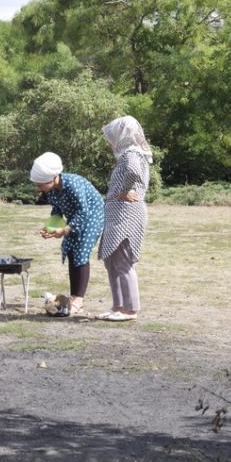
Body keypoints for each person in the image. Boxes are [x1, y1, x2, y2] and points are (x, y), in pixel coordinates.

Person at [30, 152, 104, 317]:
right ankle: (74, 296)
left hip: (92, 216)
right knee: (71, 252)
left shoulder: (72, 184)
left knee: (81, 252)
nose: (38, 188)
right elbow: (57, 209)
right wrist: (50, 227)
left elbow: (83, 211)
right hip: (75, 217)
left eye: (40, 185)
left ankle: (79, 300)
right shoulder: (51, 190)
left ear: (53, 177)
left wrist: (65, 230)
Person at [96, 116, 153, 322]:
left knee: (123, 261)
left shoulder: (132, 153)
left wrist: (124, 190)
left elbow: (134, 171)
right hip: (117, 214)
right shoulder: (129, 154)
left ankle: (130, 310)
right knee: (112, 261)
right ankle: (118, 306)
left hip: (127, 213)